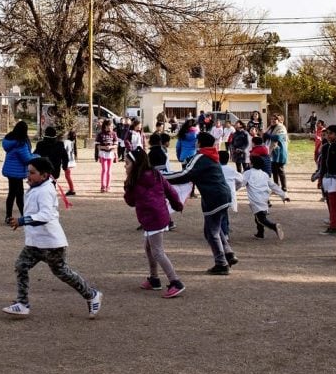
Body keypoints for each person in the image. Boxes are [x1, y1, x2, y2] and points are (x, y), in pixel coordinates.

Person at [2, 157, 102, 318]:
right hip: (35, 242)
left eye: (32, 173)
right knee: (21, 265)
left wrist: (22, 221)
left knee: (62, 272)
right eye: (28, 172)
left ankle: (91, 294)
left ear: (44, 175)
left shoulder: (45, 190)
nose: (28, 175)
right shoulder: (37, 187)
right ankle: (22, 304)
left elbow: (46, 214)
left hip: (51, 243)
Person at [165, 132, 237, 274]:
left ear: (199, 142)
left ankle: (221, 264)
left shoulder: (201, 157)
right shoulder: (212, 155)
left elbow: (185, 174)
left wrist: (163, 177)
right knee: (216, 228)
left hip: (214, 198)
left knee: (211, 232)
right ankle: (228, 253)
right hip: (223, 196)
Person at [123, 147, 185, 298]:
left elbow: (130, 202)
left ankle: (176, 282)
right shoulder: (156, 174)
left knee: (157, 251)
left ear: (135, 164)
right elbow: (170, 190)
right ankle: (154, 279)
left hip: (153, 219)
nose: (125, 166)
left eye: (126, 163)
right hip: (159, 216)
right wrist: (177, 204)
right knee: (149, 247)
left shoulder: (134, 181)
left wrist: (127, 186)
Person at [237, 156, 289, 240]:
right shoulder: (264, 174)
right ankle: (260, 233)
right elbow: (273, 186)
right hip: (265, 198)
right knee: (258, 216)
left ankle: (274, 226)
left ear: (252, 164)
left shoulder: (248, 173)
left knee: (261, 219)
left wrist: (233, 189)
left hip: (255, 199)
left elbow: (241, 184)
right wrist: (283, 195)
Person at [1, 121, 34, 224]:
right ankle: (24, 217)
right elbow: (27, 159)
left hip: (10, 170)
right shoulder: (21, 143)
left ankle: (8, 215)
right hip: (17, 172)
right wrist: (37, 157)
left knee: (12, 194)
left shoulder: (10, 139)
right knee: (19, 195)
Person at [318, 125, 336, 235]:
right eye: (327, 133)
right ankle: (333, 226)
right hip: (327, 178)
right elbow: (322, 165)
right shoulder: (326, 147)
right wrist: (320, 178)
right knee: (331, 203)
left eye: (330, 133)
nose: (328, 136)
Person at [263, 114, 289, 191]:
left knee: (280, 169)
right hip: (270, 151)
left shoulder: (281, 127)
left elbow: (278, 137)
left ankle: (284, 188)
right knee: (273, 170)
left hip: (279, 151)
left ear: (278, 120)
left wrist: (268, 135)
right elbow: (264, 136)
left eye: (275, 119)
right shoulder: (270, 128)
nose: (273, 121)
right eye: (272, 119)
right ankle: (276, 186)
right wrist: (265, 135)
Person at [95, 119, 118, 192]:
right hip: (103, 153)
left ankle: (108, 186)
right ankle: (103, 186)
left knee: (109, 171)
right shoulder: (100, 134)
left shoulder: (114, 133)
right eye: (108, 126)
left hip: (110, 153)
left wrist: (111, 147)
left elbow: (116, 144)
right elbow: (98, 145)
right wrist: (104, 147)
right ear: (105, 126)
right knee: (104, 170)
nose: (110, 128)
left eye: (111, 126)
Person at [62, 130, 77, 196]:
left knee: (67, 176)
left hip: (67, 161)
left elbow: (63, 150)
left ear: (68, 135)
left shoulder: (66, 142)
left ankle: (72, 189)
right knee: (68, 176)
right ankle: (71, 189)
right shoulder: (73, 142)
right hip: (71, 161)